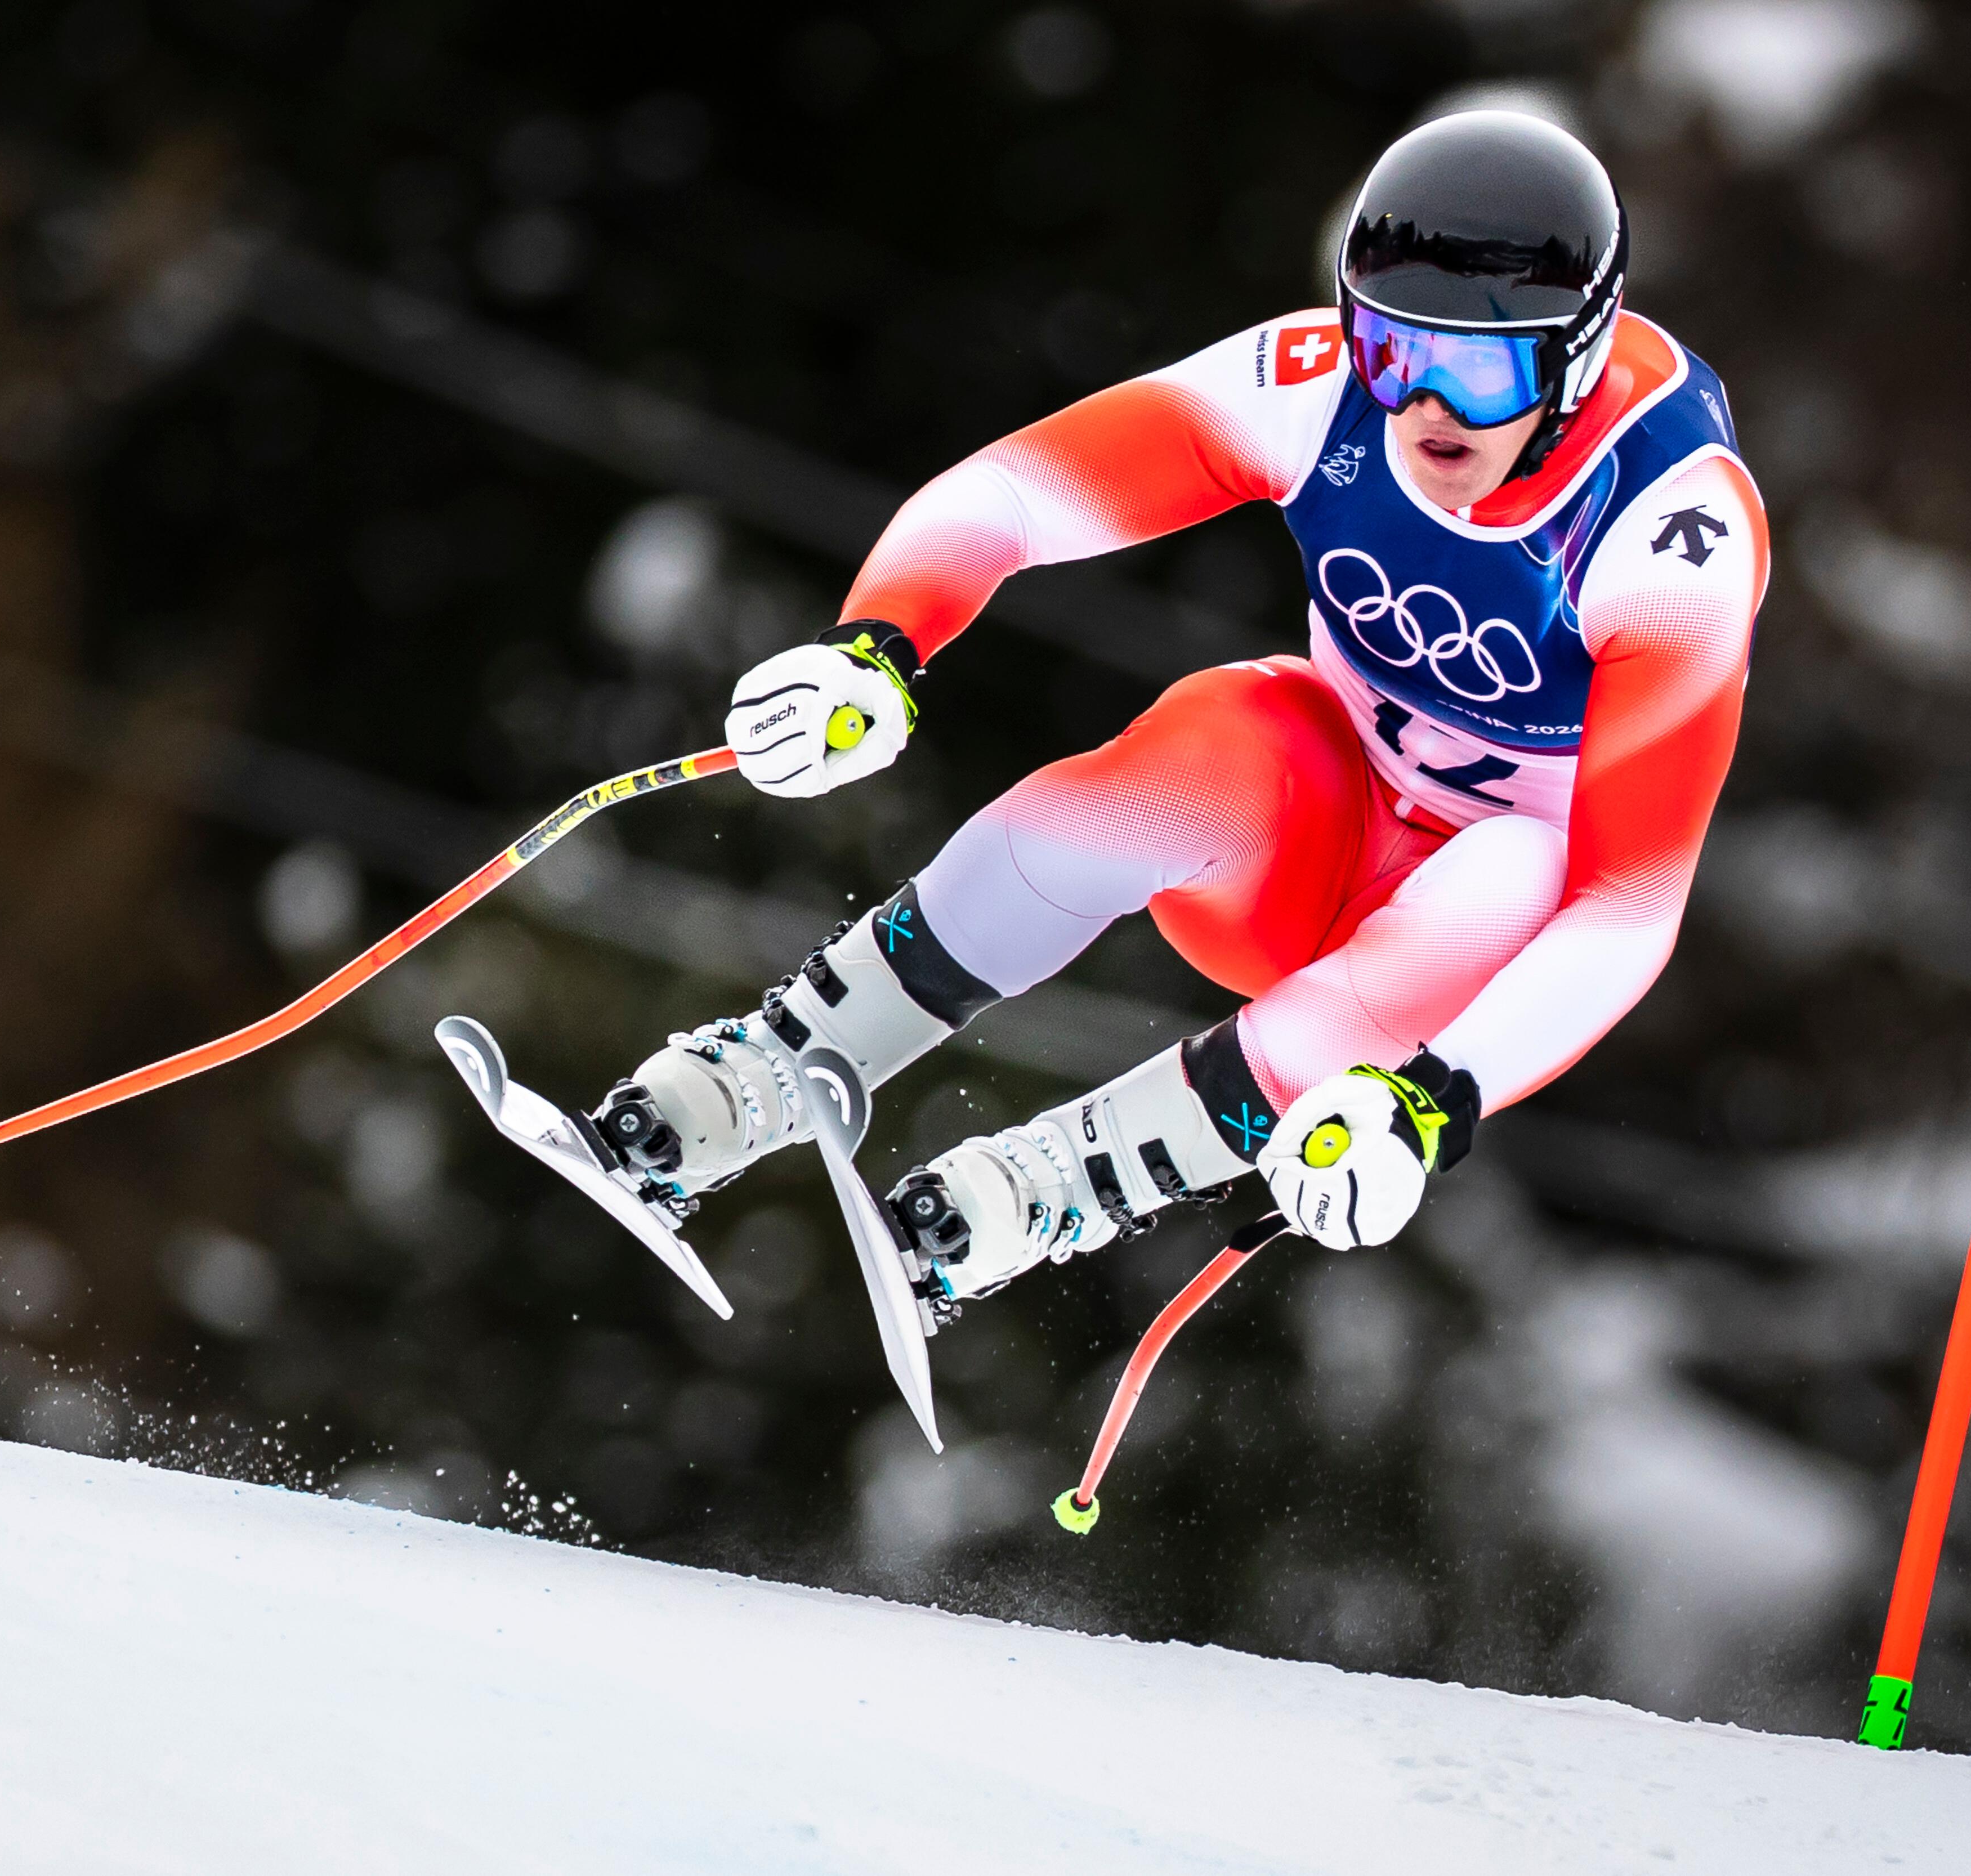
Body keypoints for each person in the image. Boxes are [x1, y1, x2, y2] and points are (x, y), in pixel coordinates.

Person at [583, 109, 1767, 1321]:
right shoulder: (1321, 389)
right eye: (1392, 348)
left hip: (1468, 963)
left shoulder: (1667, 533)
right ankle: (752, 1076)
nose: (1422, 407)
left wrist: (1433, 1098)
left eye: (1477, 367)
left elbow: (1623, 910)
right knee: (1222, 739)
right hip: (1303, 841)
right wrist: (879, 644)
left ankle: (1040, 1190)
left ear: (1573, 355)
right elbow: (1020, 490)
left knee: (1514, 866)